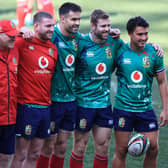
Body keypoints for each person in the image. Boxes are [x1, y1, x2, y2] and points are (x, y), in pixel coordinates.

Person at [70, 9, 124, 168]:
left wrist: (153, 46)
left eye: (109, 25)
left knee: (103, 147)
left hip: (104, 105)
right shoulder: (80, 43)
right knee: (79, 148)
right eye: (103, 26)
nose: (107, 29)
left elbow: (134, 49)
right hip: (83, 105)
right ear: (92, 26)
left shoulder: (114, 42)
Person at [112, 16, 168, 168]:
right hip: (123, 109)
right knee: (121, 150)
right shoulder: (120, 51)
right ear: (130, 34)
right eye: (140, 34)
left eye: (146, 34)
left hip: (145, 109)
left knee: (153, 148)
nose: (144, 37)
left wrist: (166, 109)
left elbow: (162, 81)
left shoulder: (154, 53)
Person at [36, 2, 82, 168]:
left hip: (70, 101)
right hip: (51, 100)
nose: (77, 23)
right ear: (62, 19)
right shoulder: (51, 35)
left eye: (79, 19)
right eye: (73, 19)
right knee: (47, 146)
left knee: (62, 146)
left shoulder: (78, 38)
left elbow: (96, 39)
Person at [10, 11, 57, 168]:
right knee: (21, 154)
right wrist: (18, 31)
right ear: (36, 26)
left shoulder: (52, 49)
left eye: (53, 25)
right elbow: (4, 39)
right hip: (26, 107)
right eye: (48, 26)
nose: (52, 29)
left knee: (35, 153)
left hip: (45, 108)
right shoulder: (22, 43)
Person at [0, 20, 19, 168]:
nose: (13, 38)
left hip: (10, 117)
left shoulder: (15, 49)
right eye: (9, 35)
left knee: (6, 156)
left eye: (15, 35)